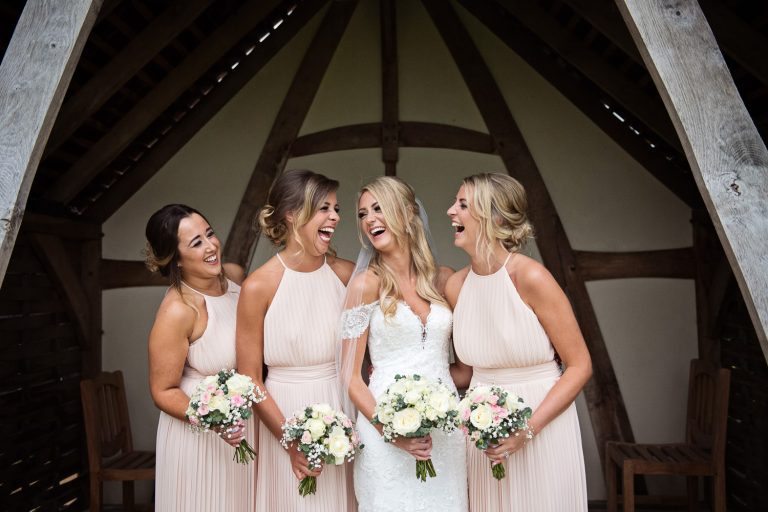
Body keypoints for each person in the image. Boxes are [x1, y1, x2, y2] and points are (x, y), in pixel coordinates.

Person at [446, 172, 591, 511]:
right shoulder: (456, 286)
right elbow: (466, 373)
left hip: (541, 425)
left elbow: (580, 366)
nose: (451, 211)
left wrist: (525, 431)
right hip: (484, 436)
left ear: (494, 217)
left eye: (463, 204)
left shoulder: (531, 277)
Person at [340, 176, 468, 512]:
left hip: (444, 433)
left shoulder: (443, 279)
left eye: (378, 208)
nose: (369, 219)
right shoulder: (366, 285)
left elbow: (465, 368)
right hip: (384, 431)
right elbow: (351, 377)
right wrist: (391, 431)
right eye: (363, 214)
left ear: (409, 212)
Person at [236, 169, 356, 510]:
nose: (335, 217)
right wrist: (290, 441)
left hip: (341, 407)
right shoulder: (258, 286)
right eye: (324, 208)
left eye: (336, 208)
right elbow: (250, 378)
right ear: (291, 214)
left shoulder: (347, 275)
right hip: (283, 414)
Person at [146, 204, 255, 511]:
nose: (211, 246)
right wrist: (213, 420)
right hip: (198, 439)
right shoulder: (179, 311)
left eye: (210, 234)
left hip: (241, 429)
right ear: (176, 259)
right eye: (196, 243)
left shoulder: (234, 278)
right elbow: (162, 390)